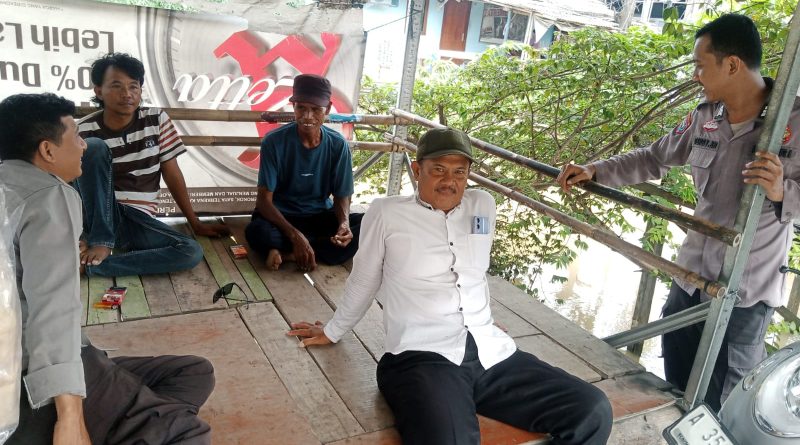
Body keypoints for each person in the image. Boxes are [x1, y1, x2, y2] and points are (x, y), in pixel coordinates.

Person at [289, 128, 612, 445]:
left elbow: (474, 273)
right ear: (417, 170)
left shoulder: (482, 205)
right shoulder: (386, 213)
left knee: (591, 410)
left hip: (490, 352)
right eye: (439, 170)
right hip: (421, 356)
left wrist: (479, 317)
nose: (450, 180)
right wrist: (333, 330)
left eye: (460, 172)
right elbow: (364, 278)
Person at [557, 14, 800, 411]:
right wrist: (596, 170)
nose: (694, 76)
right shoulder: (706, 117)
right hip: (690, 282)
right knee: (676, 392)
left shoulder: (794, 123)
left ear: (732, 65)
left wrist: (780, 189)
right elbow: (654, 158)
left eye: (700, 66)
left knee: (723, 407)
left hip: (743, 297)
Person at [1, 93, 216, 445]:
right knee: (187, 433)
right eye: (75, 136)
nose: (84, 145)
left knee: (195, 372)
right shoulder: (48, 194)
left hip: (24, 366)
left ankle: (123, 419)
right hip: (37, 375)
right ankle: (113, 423)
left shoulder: (8, 183)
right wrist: (71, 419)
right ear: (48, 150)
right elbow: (52, 312)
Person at [75, 52, 228, 277]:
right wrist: (77, 233)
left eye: (134, 86)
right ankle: (100, 240)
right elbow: (70, 183)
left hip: (138, 221)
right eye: (117, 86)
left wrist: (194, 222)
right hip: (97, 217)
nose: (127, 94)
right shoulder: (82, 129)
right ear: (99, 91)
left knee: (189, 251)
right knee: (94, 147)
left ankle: (88, 268)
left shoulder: (156, 120)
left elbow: (172, 173)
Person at [245, 74, 362, 272]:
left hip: (318, 216)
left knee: (368, 225)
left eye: (316, 109)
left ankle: (288, 254)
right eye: (301, 108)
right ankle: (315, 248)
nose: (307, 116)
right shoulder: (274, 142)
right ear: (293, 107)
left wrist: (344, 224)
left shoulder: (338, 145)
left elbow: (342, 195)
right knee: (257, 231)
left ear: (327, 109)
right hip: (282, 218)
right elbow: (263, 202)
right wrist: (294, 235)